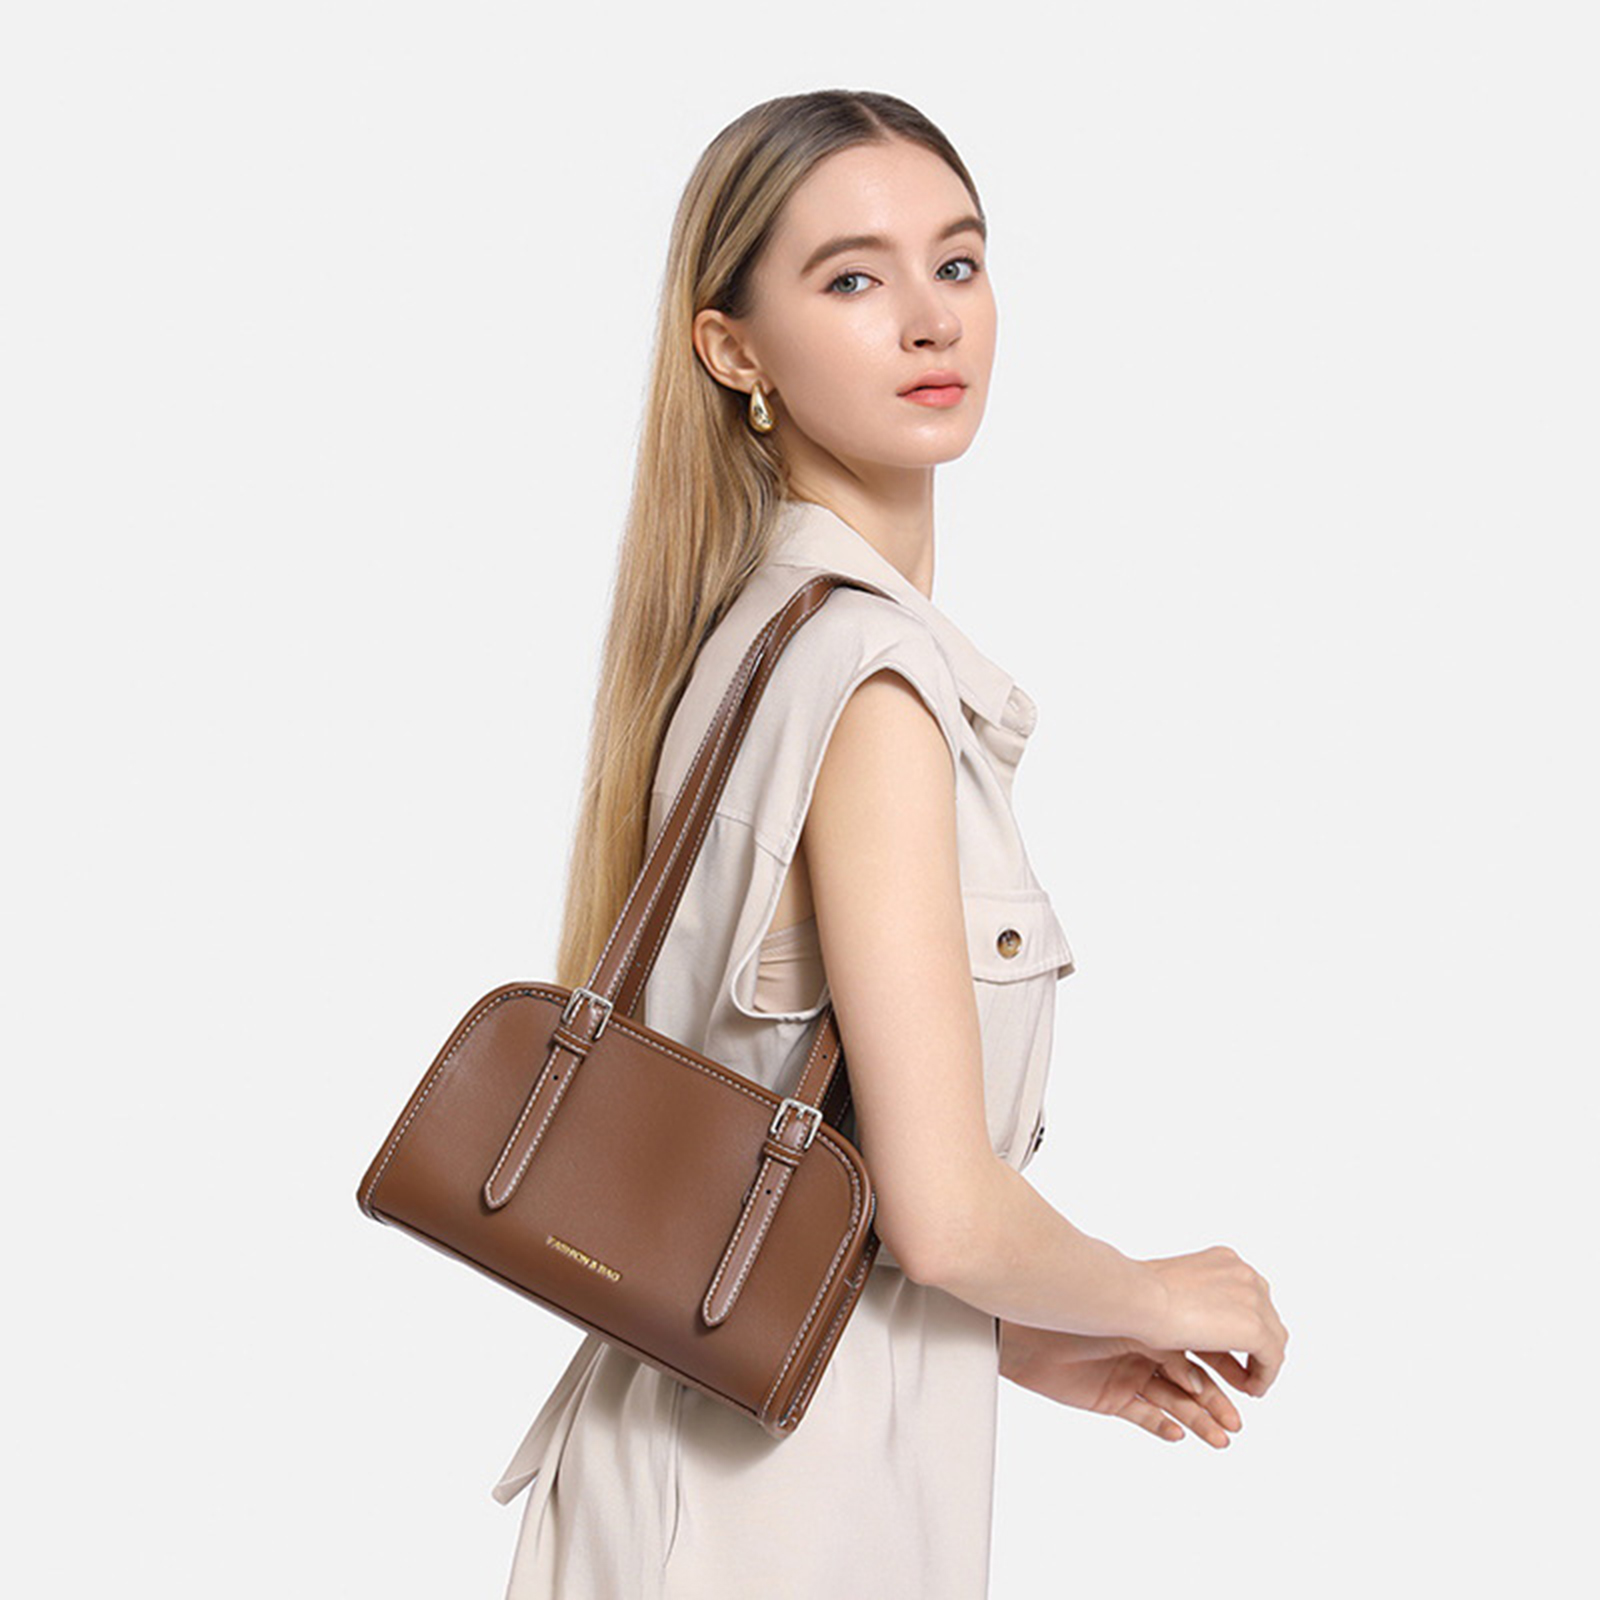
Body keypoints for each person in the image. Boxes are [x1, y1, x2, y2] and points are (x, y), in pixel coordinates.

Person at [491, 88, 1289, 1598]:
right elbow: (941, 1211)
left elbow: (807, 1162)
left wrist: (1024, 1337)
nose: (931, 319)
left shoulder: (759, 644)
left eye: (958, 262)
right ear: (734, 350)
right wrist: (1160, 1291)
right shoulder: (866, 687)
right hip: (775, 1520)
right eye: (853, 278)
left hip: (717, 1468)